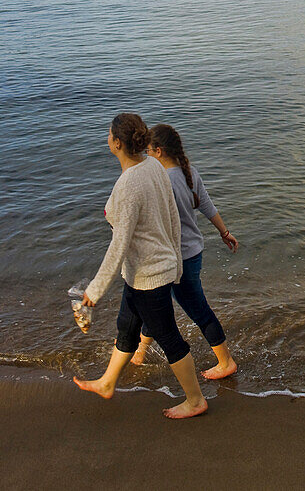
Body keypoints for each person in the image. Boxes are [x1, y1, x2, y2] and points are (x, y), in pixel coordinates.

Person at [72, 113, 208, 420]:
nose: (106, 139)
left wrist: (95, 290)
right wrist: (175, 261)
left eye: (109, 136)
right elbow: (172, 216)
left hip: (149, 276)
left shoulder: (130, 183)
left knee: (170, 338)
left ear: (117, 143)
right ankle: (107, 382)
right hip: (142, 273)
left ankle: (195, 399)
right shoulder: (152, 166)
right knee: (127, 327)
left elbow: (118, 244)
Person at [130, 123, 238, 381]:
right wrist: (224, 233)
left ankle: (226, 362)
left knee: (197, 309)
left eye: (148, 151)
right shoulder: (189, 173)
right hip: (190, 254)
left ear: (157, 151)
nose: (146, 156)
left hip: (175, 260)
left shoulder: (160, 181)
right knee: (154, 304)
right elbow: (207, 205)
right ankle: (141, 352)